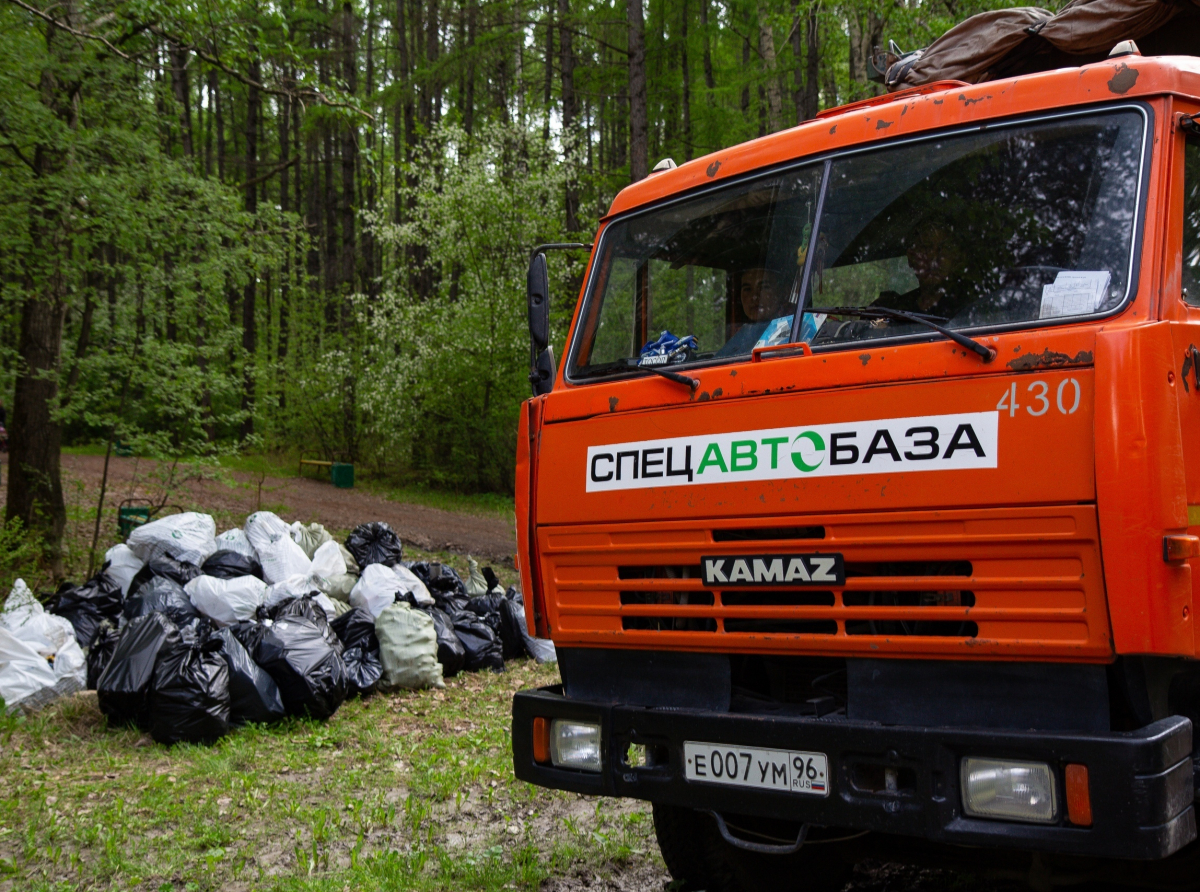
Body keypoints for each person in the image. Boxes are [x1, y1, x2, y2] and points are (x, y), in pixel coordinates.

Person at [717, 268, 791, 356]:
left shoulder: (794, 325)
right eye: (747, 289)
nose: (754, 297)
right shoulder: (741, 333)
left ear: (783, 293)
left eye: (764, 287)